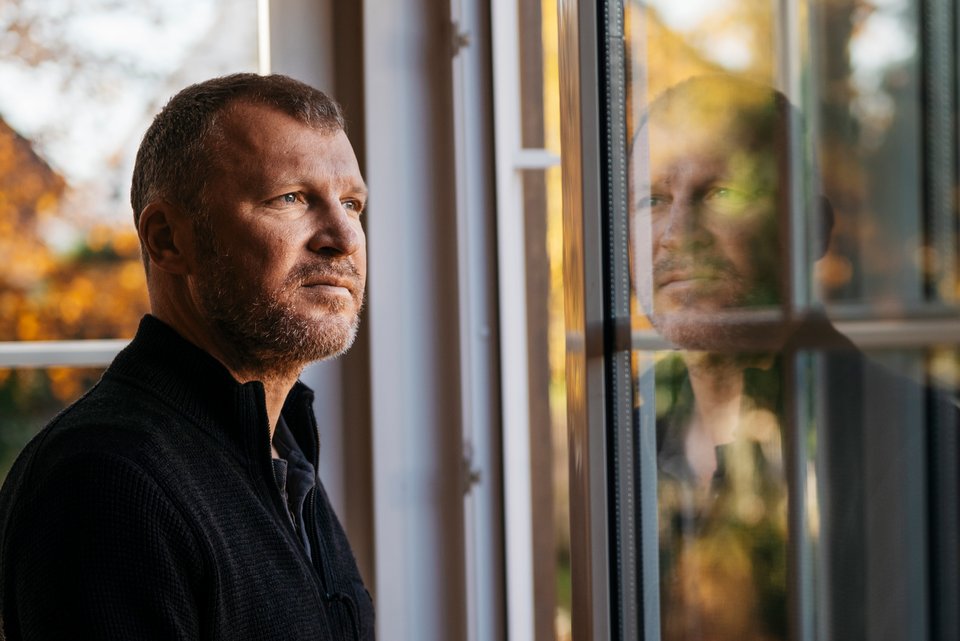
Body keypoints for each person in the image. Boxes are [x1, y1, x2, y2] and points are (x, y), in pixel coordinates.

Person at [0, 73, 374, 640]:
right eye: (290, 199)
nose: (343, 237)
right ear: (168, 240)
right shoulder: (110, 481)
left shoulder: (280, 451)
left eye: (351, 202)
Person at [629, 74, 899, 641]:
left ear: (812, 228)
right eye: (652, 200)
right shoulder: (619, 446)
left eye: (722, 194)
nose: (676, 235)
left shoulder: (920, 450)